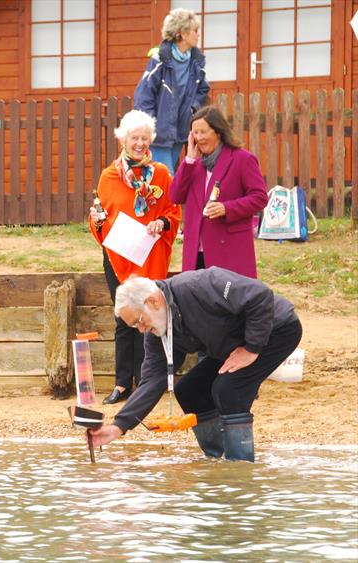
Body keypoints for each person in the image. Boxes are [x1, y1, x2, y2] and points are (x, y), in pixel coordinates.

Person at [89, 268, 302, 462]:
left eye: (139, 320)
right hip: (232, 343)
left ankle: (240, 468)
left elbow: (259, 294)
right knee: (190, 391)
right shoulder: (157, 330)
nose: (141, 329)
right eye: (134, 326)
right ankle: (217, 457)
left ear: (153, 301)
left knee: (229, 389)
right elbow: (152, 380)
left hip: (275, 331)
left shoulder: (198, 285)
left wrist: (252, 348)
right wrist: (119, 426)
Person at [88, 109, 182, 405]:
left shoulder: (162, 175)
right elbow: (101, 216)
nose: (140, 143)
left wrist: (161, 223)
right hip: (117, 256)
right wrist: (96, 218)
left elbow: (173, 213)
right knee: (122, 318)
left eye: (144, 138)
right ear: (123, 140)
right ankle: (121, 383)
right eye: (134, 138)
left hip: (149, 256)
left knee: (148, 318)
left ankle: (146, 381)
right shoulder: (109, 175)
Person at [170, 105, 268, 278]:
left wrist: (227, 208)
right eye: (195, 133)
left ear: (218, 132)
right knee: (199, 302)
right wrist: (189, 160)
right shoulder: (194, 165)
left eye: (203, 132)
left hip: (228, 252)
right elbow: (175, 195)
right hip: (195, 254)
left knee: (228, 303)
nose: (199, 138)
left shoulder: (242, 159)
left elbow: (260, 198)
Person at [134, 8, 209, 174]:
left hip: (180, 131)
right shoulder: (160, 60)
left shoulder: (196, 62)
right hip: (159, 133)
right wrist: (150, 126)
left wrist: (193, 108)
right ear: (182, 33)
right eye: (195, 31)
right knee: (167, 177)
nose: (198, 35)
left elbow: (203, 88)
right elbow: (143, 96)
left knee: (162, 180)